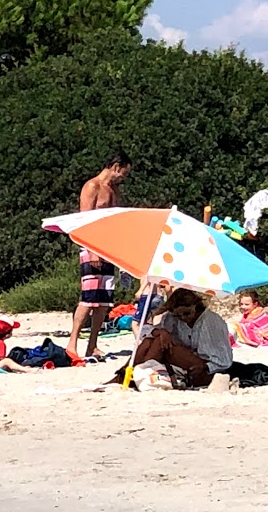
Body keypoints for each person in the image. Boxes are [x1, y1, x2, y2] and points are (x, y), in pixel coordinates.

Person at [70, 152, 132, 358]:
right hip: (91, 247)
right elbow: (83, 221)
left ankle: (92, 344)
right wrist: (91, 249)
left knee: (104, 300)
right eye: (123, 173)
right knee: (88, 298)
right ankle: (72, 343)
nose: (123, 178)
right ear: (115, 167)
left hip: (108, 247)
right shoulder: (92, 187)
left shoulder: (114, 191)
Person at [126, 287, 232, 388]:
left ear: (196, 306)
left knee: (159, 342)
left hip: (205, 366)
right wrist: (161, 331)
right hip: (185, 357)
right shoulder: (173, 318)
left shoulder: (211, 321)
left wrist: (206, 367)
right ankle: (133, 372)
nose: (183, 318)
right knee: (151, 340)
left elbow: (224, 359)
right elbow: (144, 331)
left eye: (187, 313)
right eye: (179, 315)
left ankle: (130, 374)